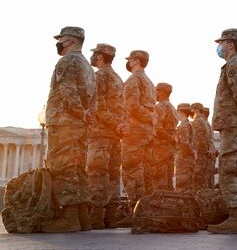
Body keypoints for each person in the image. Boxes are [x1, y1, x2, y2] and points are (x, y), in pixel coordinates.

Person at [42, 27, 96, 233]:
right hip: (80, 125)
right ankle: (82, 217)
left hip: (65, 121)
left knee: (63, 167)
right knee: (78, 167)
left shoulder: (67, 61)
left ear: (71, 41)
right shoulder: (88, 67)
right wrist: (86, 115)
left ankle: (69, 217)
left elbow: (67, 91)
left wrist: (78, 113)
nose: (58, 43)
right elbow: (94, 97)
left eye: (61, 39)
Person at [208, 28, 237, 234]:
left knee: (232, 169)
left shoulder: (235, 64)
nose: (219, 47)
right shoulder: (236, 64)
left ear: (230, 44)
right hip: (235, 123)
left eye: (221, 43)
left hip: (234, 124)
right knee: (235, 168)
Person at [87, 43, 126, 229]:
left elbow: (99, 105)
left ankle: (96, 217)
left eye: (95, 54)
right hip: (115, 135)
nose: (92, 57)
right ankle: (111, 216)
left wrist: (112, 123)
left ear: (101, 56)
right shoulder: (118, 78)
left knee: (97, 173)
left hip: (100, 133)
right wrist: (118, 126)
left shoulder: (99, 76)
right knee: (112, 175)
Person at [118, 50, 156, 227]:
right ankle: (146, 210)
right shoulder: (149, 81)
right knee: (146, 170)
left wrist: (147, 117)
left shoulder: (133, 80)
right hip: (148, 132)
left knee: (131, 170)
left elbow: (132, 106)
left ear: (134, 61)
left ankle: (136, 211)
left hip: (135, 130)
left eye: (130, 60)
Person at [153, 82, 178, 191]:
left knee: (158, 181)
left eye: (157, 90)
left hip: (160, 148)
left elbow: (157, 129)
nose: (155, 93)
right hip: (169, 149)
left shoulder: (160, 107)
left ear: (162, 92)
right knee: (168, 181)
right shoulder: (172, 108)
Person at [175, 103, 195, 193]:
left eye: (177, 112)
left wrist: (192, 153)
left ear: (181, 112)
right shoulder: (187, 124)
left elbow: (184, 143)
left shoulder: (184, 126)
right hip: (187, 159)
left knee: (182, 186)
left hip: (183, 159)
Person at [191, 102, 210, 190]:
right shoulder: (205, 122)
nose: (191, 114)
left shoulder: (197, 121)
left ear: (196, 110)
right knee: (202, 179)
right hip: (204, 153)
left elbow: (197, 139)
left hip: (199, 154)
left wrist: (195, 153)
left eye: (192, 111)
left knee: (197, 179)